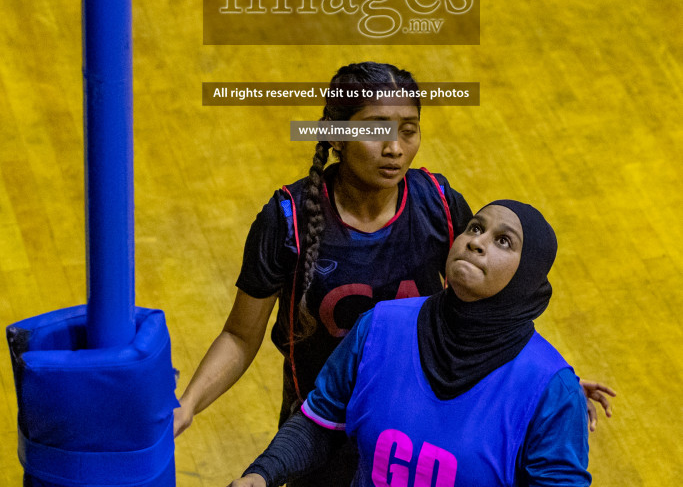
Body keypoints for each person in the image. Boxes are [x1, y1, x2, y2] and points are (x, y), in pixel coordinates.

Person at [174, 62, 613, 486]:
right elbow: (239, 335)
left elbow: (496, 293)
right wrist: (188, 404)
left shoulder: (439, 204)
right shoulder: (288, 220)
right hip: (321, 417)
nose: (395, 149)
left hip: (418, 422)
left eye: (408, 131)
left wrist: (550, 390)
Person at [228, 200, 598, 487]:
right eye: (474, 228)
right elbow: (318, 424)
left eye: (503, 241)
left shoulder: (551, 390)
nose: (476, 243)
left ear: (528, 274)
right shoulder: (380, 327)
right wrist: (261, 475)